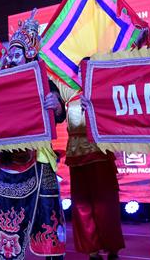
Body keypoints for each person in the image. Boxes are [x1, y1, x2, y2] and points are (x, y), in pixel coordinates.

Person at [0, 10, 66, 260]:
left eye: (17, 53)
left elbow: (58, 111)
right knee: (7, 219)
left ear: (29, 55)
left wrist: (53, 103)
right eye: (10, 54)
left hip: (39, 160)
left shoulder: (42, 79)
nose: (12, 58)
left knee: (47, 215)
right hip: (7, 162)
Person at [55, 57, 124, 260]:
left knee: (106, 206)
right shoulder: (70, 92)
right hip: (76, 155)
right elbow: (52, 82)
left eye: (86, 68)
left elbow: (116, 118)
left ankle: (112, 249)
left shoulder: (105, 91)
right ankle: (92, 250)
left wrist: (97, 107)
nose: (82, 72)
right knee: (82, 206)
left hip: (100, 155)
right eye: (79, 69)